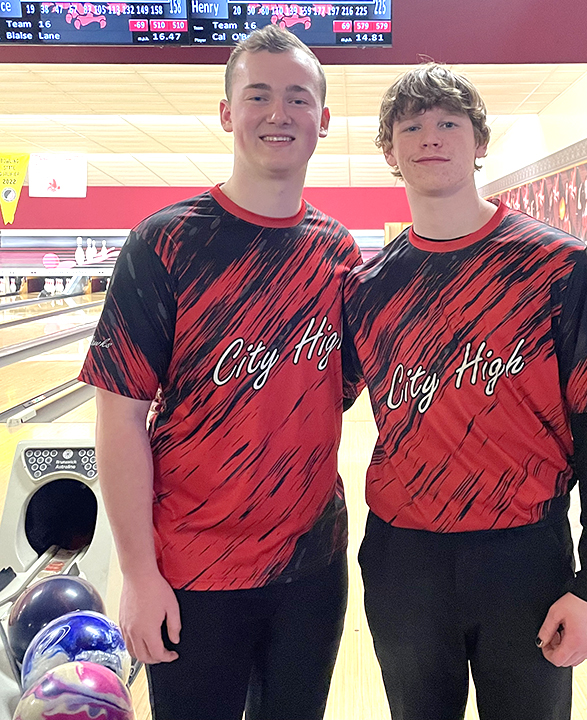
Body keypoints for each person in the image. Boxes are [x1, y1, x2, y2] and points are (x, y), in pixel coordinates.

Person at [79, 25, 361, 720]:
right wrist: (138, 574)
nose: (278, 113)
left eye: (298, 98)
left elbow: (342, 392)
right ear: (228, 112)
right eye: (257, 94)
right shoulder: (165, 242)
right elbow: (119, 416)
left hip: (311, 569)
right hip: (190, 570)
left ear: (322, 120)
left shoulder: (340, 253)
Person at [344, 64, 587, 720]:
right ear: (389, 152)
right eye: (410, 126)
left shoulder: (558, 265)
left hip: (525, 558)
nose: (430, 137)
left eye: (449, 122)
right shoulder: (366, 287)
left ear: (480, 142)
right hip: (403, 559)